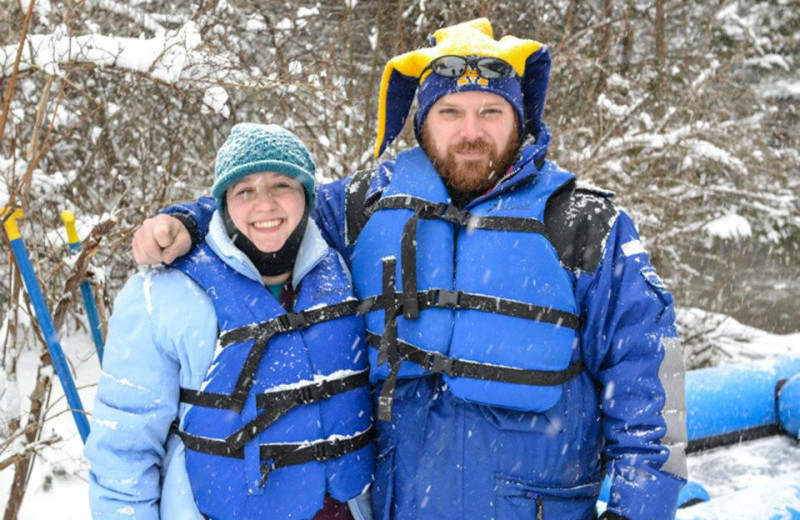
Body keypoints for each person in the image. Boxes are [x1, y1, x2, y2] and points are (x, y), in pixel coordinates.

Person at [132, 19, 687, 520]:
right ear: (421, 123)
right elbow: (272, 206)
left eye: (490, 112)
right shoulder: (364, 207)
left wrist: (636, 511)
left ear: (520, 120)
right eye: (450, 112)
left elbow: (651, 382)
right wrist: (187, 218)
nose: (471, 131)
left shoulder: (583, 221)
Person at [86, 123, 376, 520]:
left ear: (306, 196)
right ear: (223, 202)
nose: (265, 205)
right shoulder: (164, 294)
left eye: (281, 185)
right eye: (245, 190)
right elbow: (123, 449)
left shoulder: (343, 268)